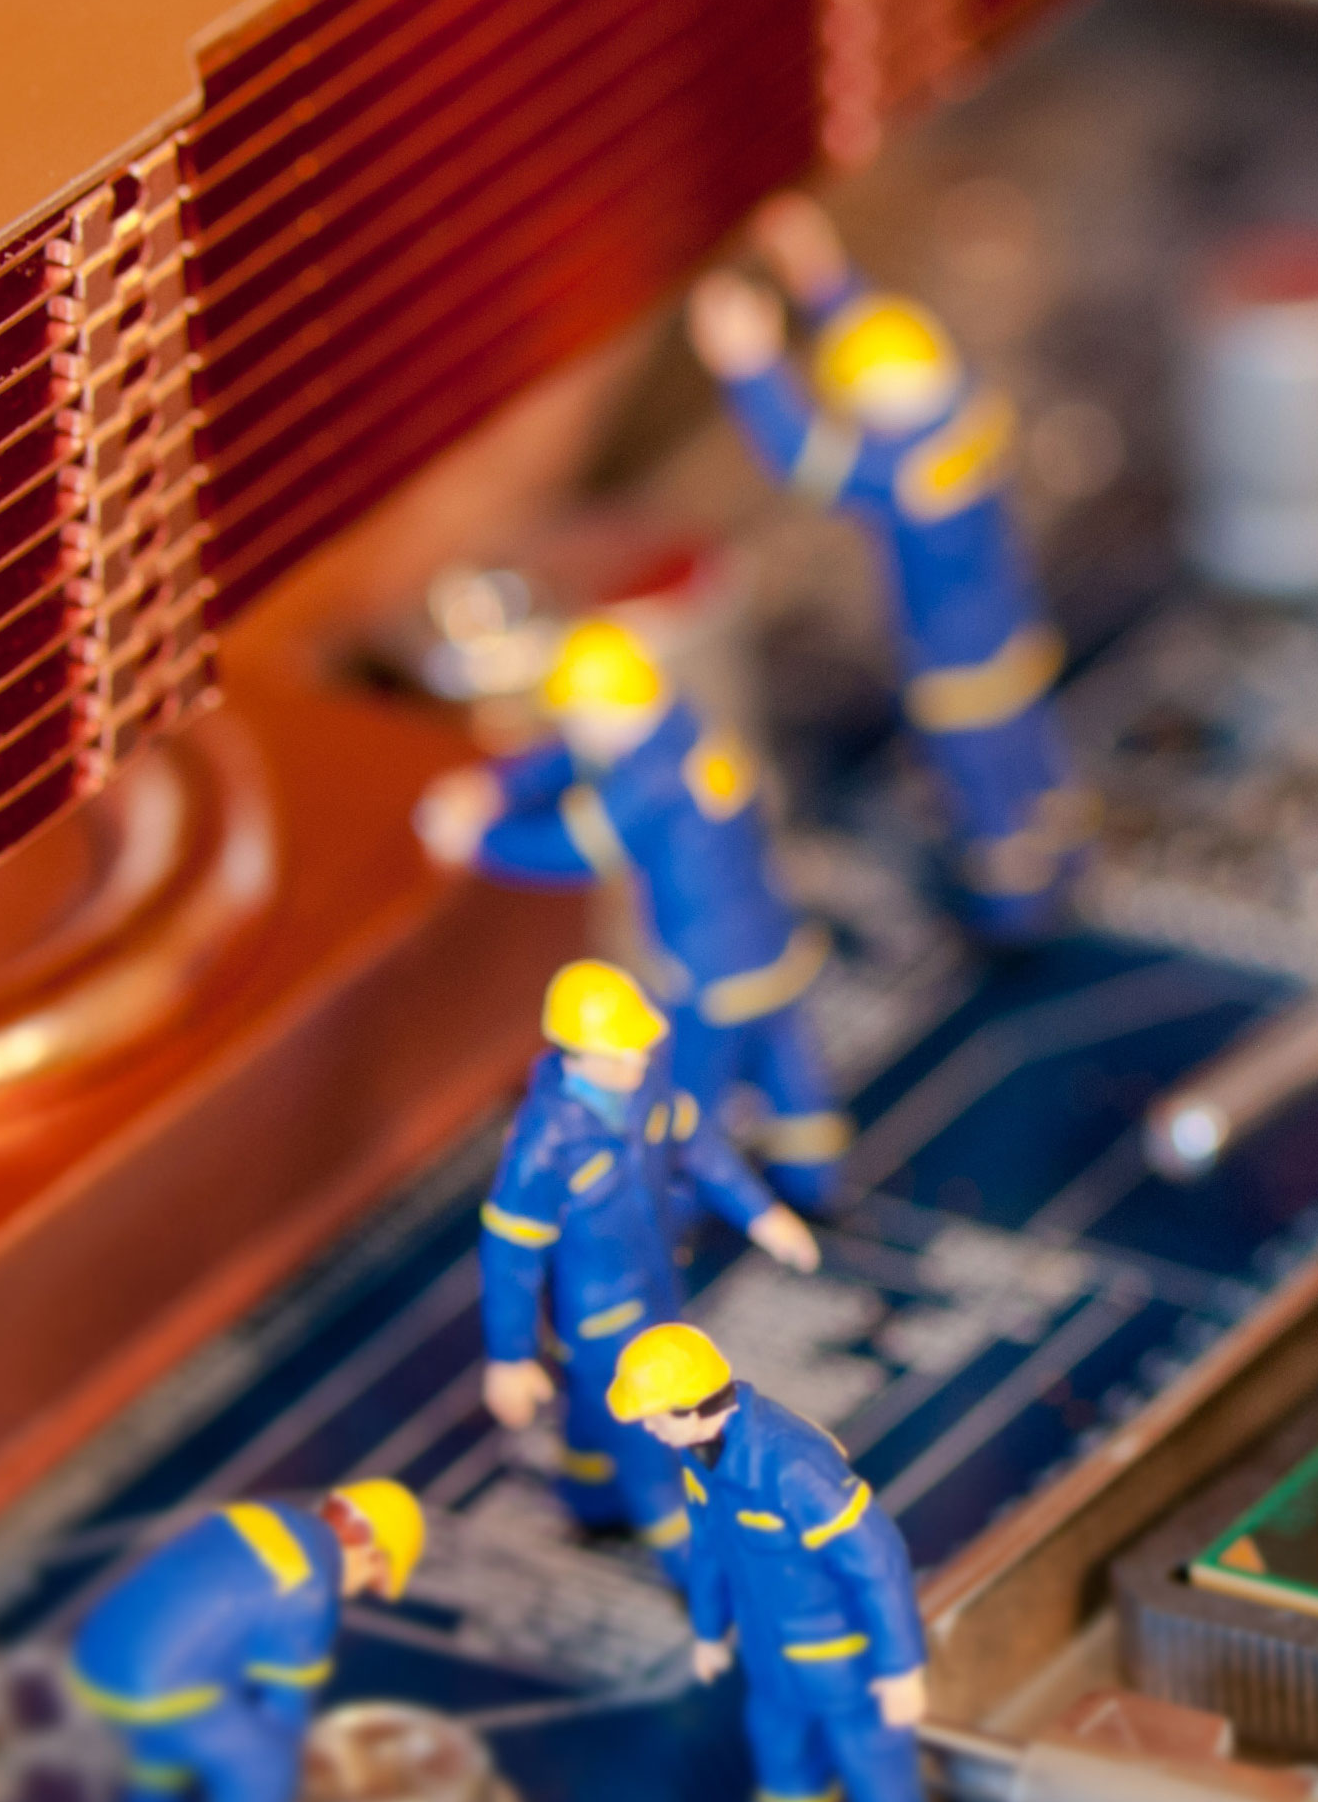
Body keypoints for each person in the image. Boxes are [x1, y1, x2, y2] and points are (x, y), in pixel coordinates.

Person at [688, 194, 1085, 940]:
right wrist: (818, 272)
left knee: (980, 779)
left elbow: (805, 458)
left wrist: (749, 365)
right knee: (1033, 760)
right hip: (1013, 624)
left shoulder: (903, 475)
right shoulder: (962, 407)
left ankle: (1019, 908)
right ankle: (1060, 849)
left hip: (956, 661)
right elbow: (877, 343)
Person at [417, 621, 852, 1212]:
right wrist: (497, 783)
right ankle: (816, 1178)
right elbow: (573, 757)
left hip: (709, 973)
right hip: (773, 939)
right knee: (789, 1067)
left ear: (601, 710)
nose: (571, 726)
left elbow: (570, 849)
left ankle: (679, 1202)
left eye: (575, 714)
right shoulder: (679, 726)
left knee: (688, 1092)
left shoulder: (648, 783)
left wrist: (478, 840)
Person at [608, 1321, 938, 1802]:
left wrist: (900, 1668)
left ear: (692, 1407)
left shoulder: (793, 1468)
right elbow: (709, 1549)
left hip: (844, 1663)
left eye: (653, 1414)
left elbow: (877, 1564)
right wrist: (708, 1631)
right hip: (768, 1652)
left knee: (876, 1778)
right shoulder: (699, 1458)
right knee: (782, 1758)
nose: (646, 1427)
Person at [479, 961, 819, 1562]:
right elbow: (510, 1258)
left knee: (590, 1422)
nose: (638, 1060)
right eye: (622, 1052)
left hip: (659, 1283)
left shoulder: (644, 1089)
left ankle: (590, 1501)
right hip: (600, 1320)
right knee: (650, 1435)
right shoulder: (544, 1147)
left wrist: (762, 1214)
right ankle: (685, 1554)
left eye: (640, 1047)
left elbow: (701, 1151)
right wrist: (510, 1357)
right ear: (578, 1053)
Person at [67, 1482, 427, 1802]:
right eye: (376, 1577)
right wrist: (299, 1779)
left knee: (170, 1733)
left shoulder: (265, 1514)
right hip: (155, 1693)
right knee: (263, 1767)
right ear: (371, 1552)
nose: (364, 1589)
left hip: (97, 1653)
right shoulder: (312, 1593)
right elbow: (285, 1711)